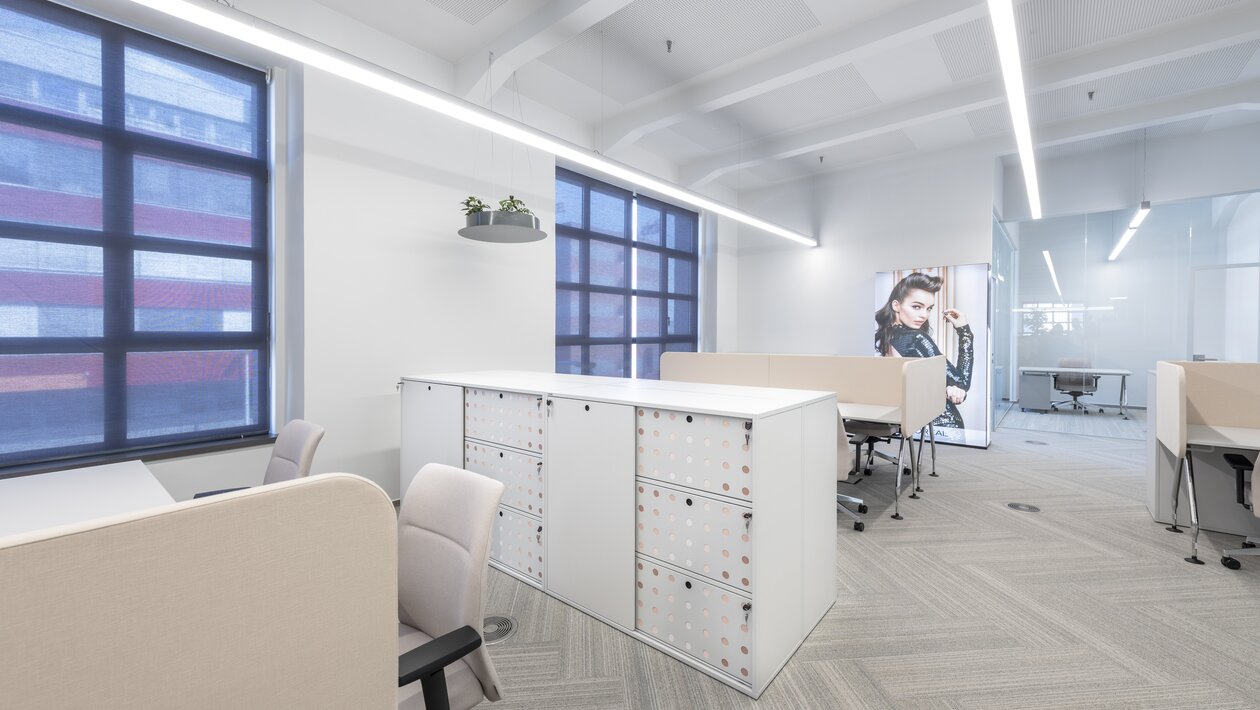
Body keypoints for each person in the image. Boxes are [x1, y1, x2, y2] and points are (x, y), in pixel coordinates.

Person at [874, 272, 974, 429]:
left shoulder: (887, 337)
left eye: (929, 309)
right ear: (896, 305)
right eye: (916, 307)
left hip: (915, 420)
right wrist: (965, 332)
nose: (924, 315)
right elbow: (961, 382)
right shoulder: (915, 338)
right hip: (941, 422)